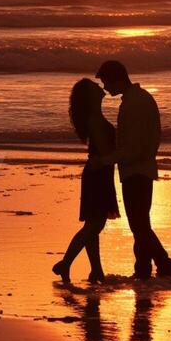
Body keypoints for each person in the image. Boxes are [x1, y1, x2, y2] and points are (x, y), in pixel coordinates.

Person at [95, 60, 171, 281]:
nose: (105, 87)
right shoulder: (139, 99)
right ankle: (145, 267)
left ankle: (162, 263)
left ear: (117, 79)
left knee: (138, 224)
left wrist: (106, 160)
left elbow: (133, 147)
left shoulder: (135, 104)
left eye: (106, 82)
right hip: (141, 167)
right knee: (140, 223)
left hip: (136, 170)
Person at [52, 78, 119, 284]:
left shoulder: (95, 117)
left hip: (99, 172)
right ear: (90, 96)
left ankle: (96, 270)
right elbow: (105, 150)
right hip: (98, 173)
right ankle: (66, 262)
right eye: (94, 86)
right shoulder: (94, 119)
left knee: (93, 224)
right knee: (94, 226)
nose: (100, 87)